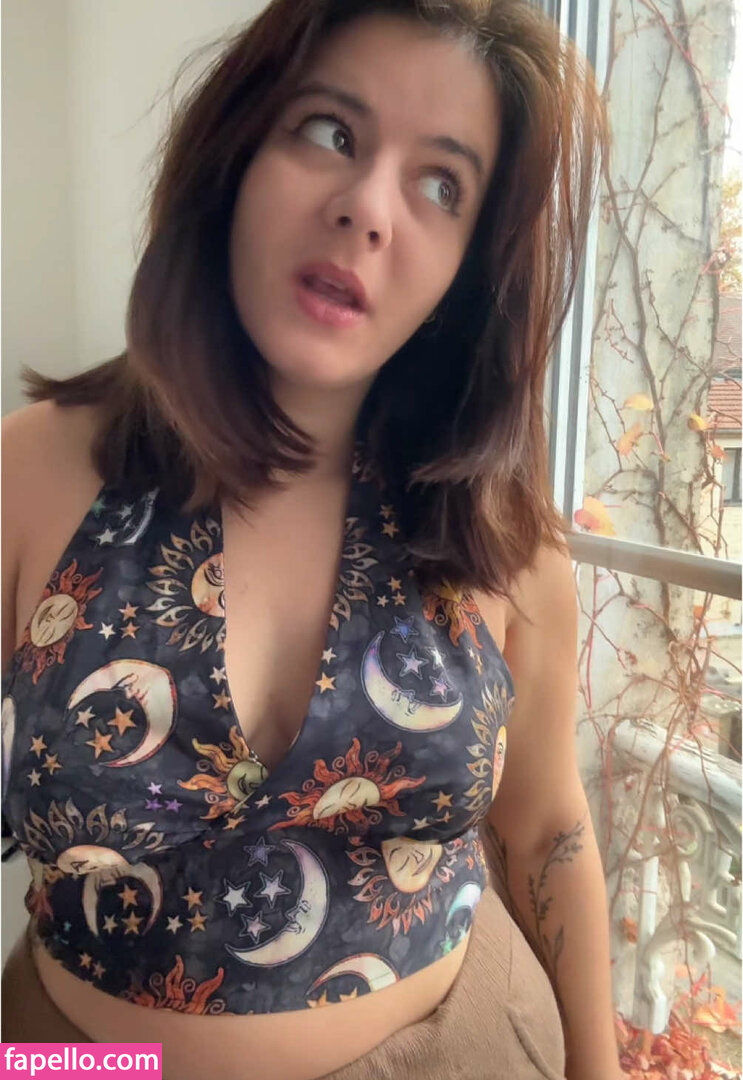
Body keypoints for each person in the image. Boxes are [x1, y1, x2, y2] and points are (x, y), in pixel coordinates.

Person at [0, 0, 622, 1077]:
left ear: (468, 269)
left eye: (441, 184)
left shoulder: (499, 533)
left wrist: (598, 1070)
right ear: (236, 149)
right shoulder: (31, 475)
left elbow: (546, 830)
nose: (367, 209)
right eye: (331, 131)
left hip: (464, 1049)